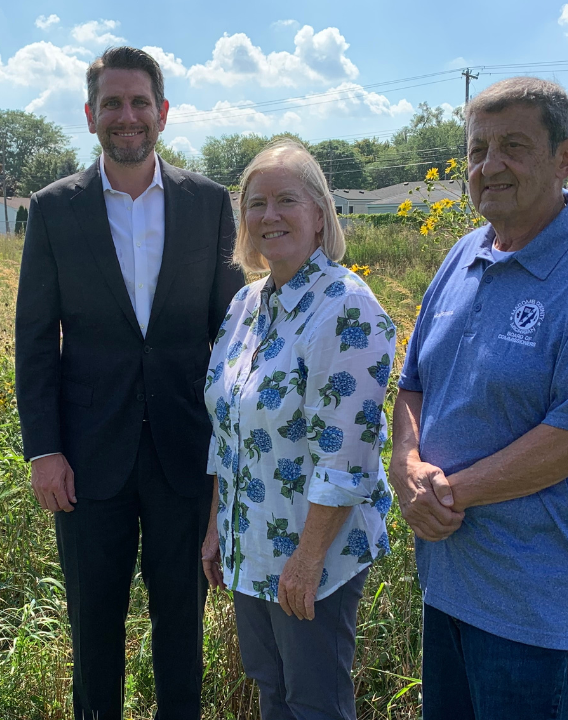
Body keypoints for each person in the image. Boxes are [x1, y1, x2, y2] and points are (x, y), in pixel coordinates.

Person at [389, 77, 568, 720]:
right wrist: (404, 464)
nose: (490, 165)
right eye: (478, 149)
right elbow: (414, 382)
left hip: (537, 602)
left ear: (566, 156)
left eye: (514, 145)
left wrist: (450, 493)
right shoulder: (463, 255)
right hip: (450, 579)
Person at [15, 47, 245, 720]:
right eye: (112, 103)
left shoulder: (208, 204)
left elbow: (228, 335)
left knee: (183, 623)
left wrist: (228, 455)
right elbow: (35, 338)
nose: (127, 116)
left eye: (140, 102)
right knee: (94, 625)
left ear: (163, 112)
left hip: (185, 452)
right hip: (87, 458)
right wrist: (43, 449)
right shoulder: (55, 209)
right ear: (90, 117)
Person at [201, 139, 396, 720]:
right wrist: (216, 527)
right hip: (250, 546)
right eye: (255, 204)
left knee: (314, 703)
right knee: (271, 690)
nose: (270, 215)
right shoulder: (246, 304)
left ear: (319, 214)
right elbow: (227, 426)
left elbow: (347, 456)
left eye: (287, 199)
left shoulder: (345, 307)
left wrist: (306, 560)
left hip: (311, 554)